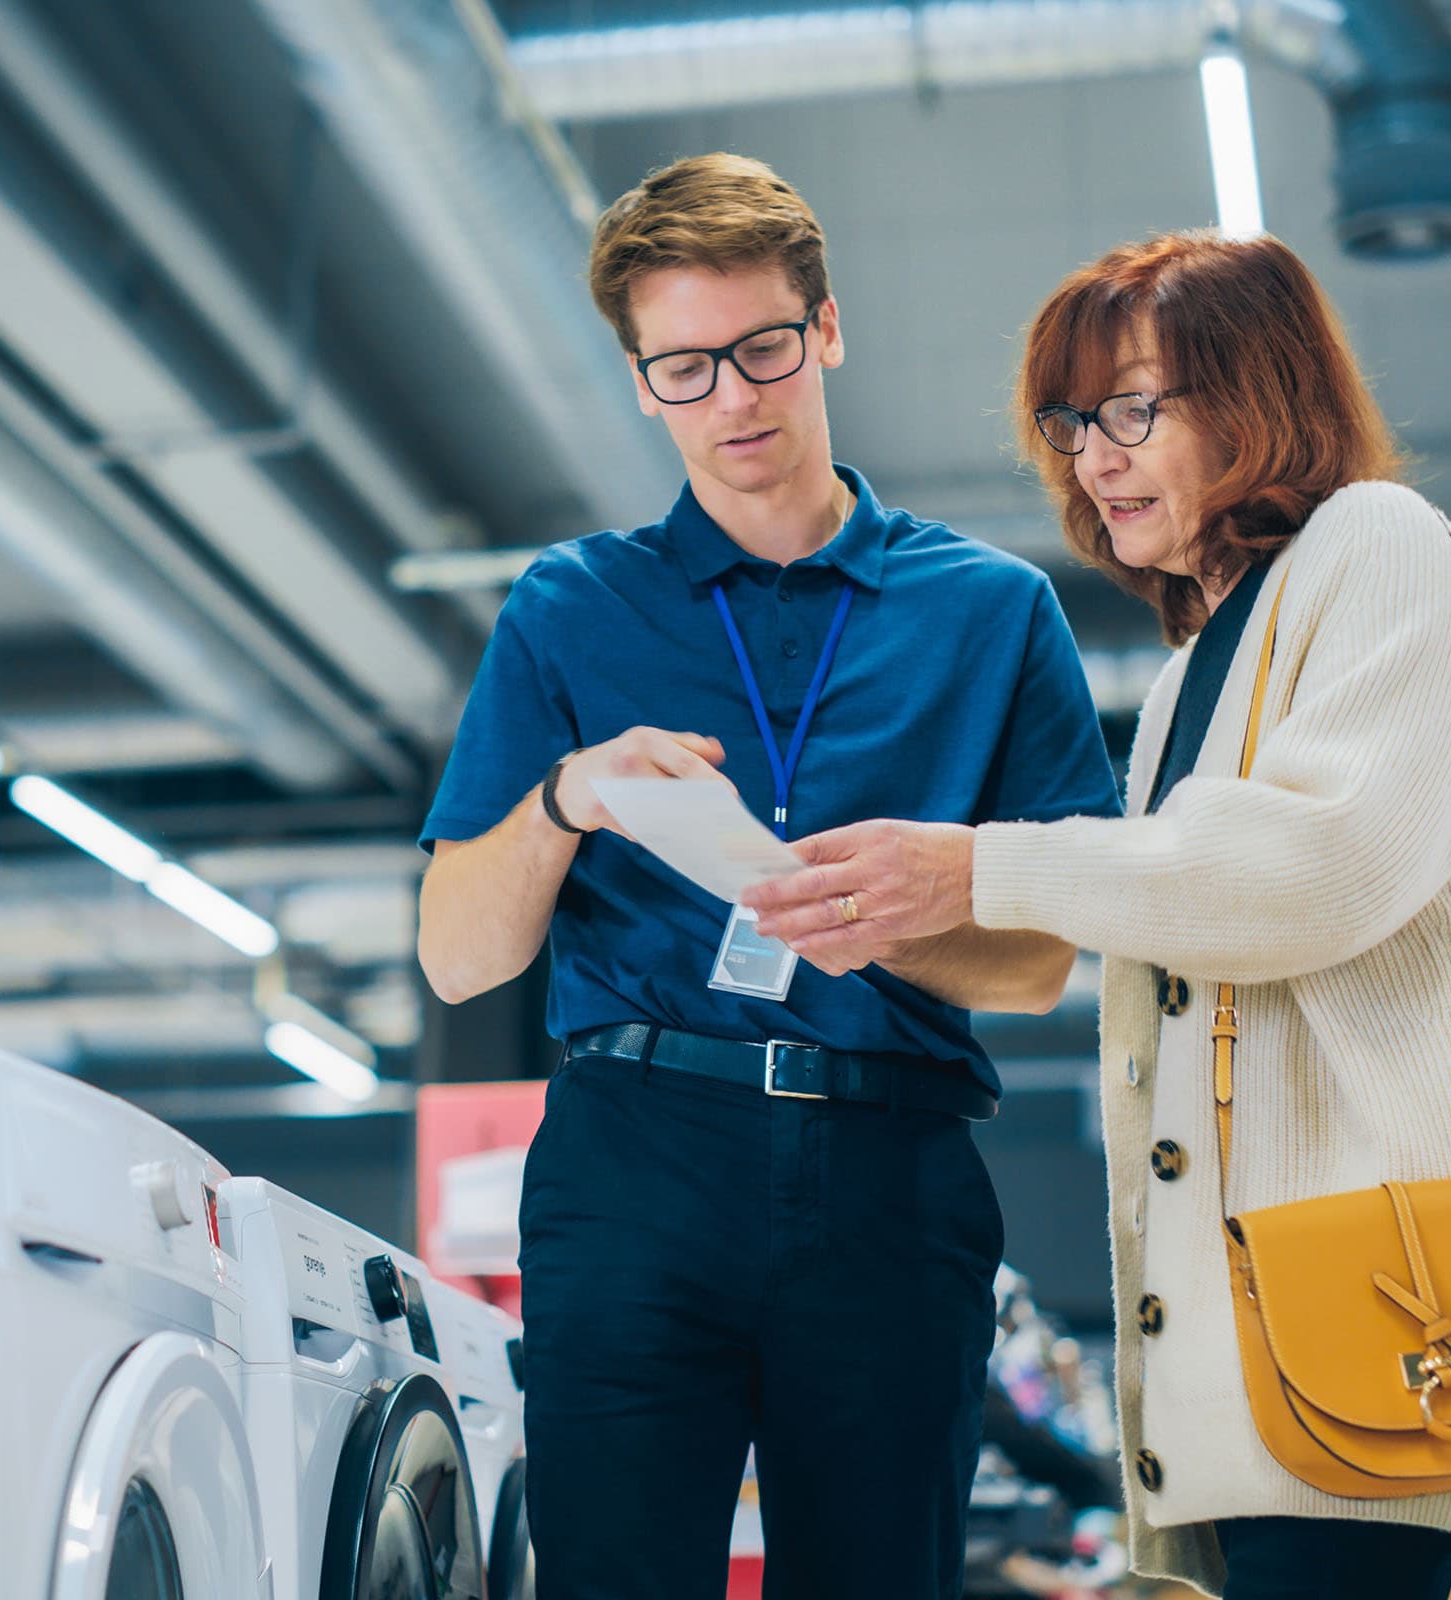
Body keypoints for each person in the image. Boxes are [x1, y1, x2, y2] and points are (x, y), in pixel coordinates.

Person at [743, 230, 1451, 1600]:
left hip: (1382, 1299)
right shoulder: (1208, 653)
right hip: (1288, 1333)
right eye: (1072, 423)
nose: (1097, 457)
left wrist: (980, 867)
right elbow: (1194, 909)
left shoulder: (1378, 544)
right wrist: (893, 915)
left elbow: (1318, 868)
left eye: (1135, 409)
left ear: (1260, 398)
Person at [416, 152, 1123, 1599]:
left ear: (828, 331)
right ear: (639, 381)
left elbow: (1043, 963)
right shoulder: (571, 606)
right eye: (684, 368)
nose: (732, 399)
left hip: (891, 1165)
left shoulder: (992, 614)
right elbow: (457, 958)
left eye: (761, 350)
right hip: (635, 1155)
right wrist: (569, 795)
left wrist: (894, 924)